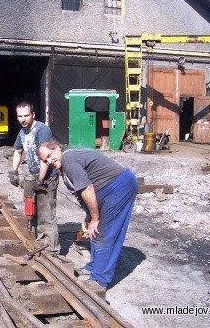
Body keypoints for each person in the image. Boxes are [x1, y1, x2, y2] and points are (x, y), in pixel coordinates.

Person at [37, 138, 139, 288]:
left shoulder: (69, 160)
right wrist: (89, 216)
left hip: (119, 186)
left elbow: (87, 189)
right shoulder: (64, 166)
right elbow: (82, 193)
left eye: (50, 155)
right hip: (105, 189)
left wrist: (95, 218)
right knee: (94, 230)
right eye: (45, 161)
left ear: (57, 148)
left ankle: (99, 280)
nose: (49, 161)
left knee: (105, 232)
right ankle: (94, 266)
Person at [8, 101, 60, 253]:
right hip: (34, 175)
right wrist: (13, 171)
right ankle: (40, 243)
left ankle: (52, 249)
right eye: (20, 116)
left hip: (47, 177)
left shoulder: (42, 130)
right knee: (33, 211)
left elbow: (45, 158)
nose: (23, 119)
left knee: (46, 214)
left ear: (33, 115)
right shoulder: (22, 132)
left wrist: (40, 180)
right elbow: (18, 151)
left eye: (26, 115)